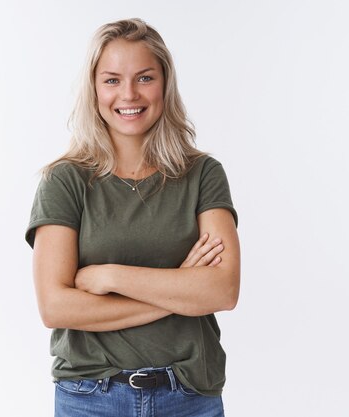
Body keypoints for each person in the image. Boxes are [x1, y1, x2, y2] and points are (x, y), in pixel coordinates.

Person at [25, 18, 240, 417]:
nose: (128, 94)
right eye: (111, 80)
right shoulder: (65, 181)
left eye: (144, 78)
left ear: (165, 83)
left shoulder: (203, 175)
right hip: (90, 397)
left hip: (190, 397)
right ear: (93, 88)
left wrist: (109, 276)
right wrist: (179, 293)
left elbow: (222, 291)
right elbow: (55, 307)